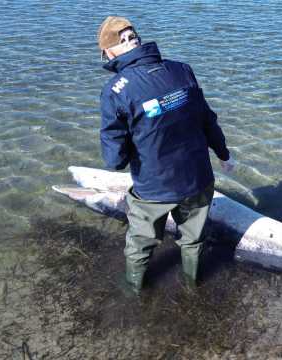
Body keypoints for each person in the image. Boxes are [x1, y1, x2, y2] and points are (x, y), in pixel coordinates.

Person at [97, 16, 233, 294]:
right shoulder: (182, 70)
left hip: (154, 188)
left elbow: (115, 160)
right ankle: (192, 288)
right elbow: (207, 119)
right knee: (193, 240)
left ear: (109, 52)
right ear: (138, 40)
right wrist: (223, 153)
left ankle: (133, 293)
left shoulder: (114, 91)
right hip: (197, 179)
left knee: (141, 244)